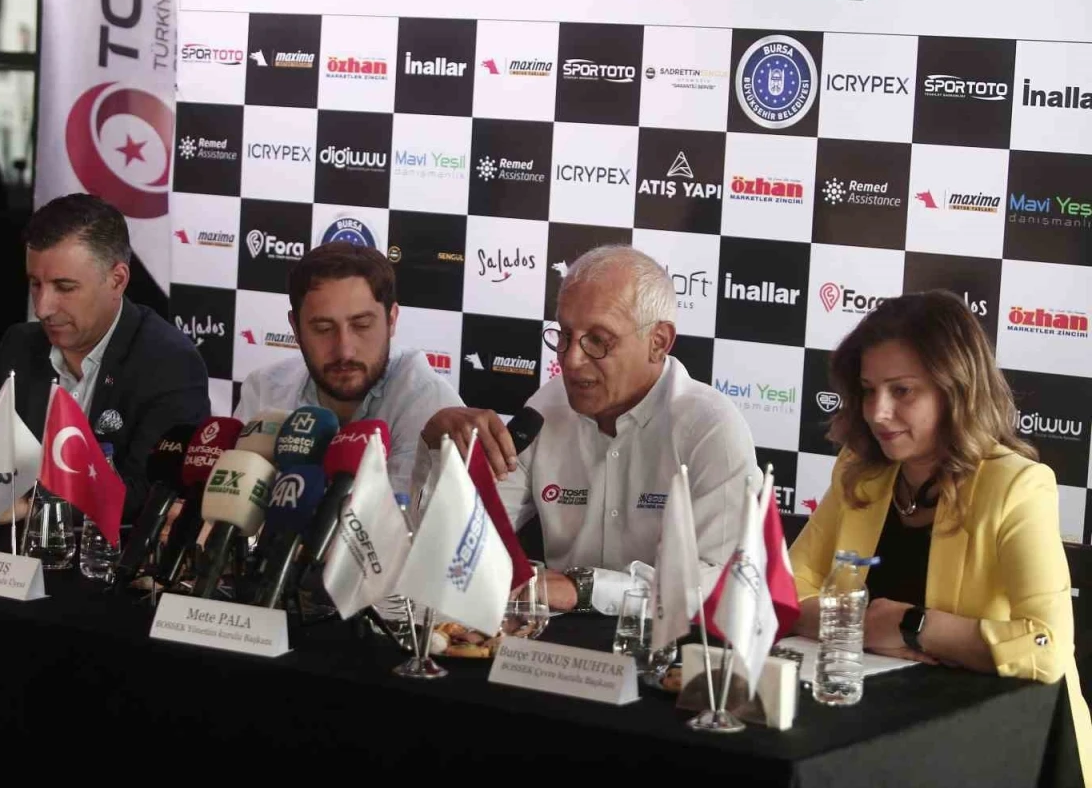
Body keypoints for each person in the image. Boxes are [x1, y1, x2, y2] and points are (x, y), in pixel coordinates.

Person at [788, 290, 1090, 781]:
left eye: (902, 391)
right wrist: (864, 625)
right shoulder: (859, 469)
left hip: (998, 741)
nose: (878, 412)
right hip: (871, 728)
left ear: (957, 391)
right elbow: (785, 590)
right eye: (868, 390)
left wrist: (911, 624)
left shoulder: (1017, 485)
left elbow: (1048, 647)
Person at [419, 245, 758, 614]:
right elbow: (458, 548)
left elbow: (721, 582)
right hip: (553, 640)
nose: (570, 359)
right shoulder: (546, 409)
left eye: (598, 340)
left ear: (658, 342)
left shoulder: (711, 427)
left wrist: (584, 589)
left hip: (668, 642)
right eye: (564, 334)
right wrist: (441, 455)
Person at [0, 193, 211, 528]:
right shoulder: (21, 343)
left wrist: (32, 506)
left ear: (117, 280)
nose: (42, 308)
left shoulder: (170, 362)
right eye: (35, 284)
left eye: (64, 287)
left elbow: (149, 493)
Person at [234, 242, 462, 494]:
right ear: (295, 328)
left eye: (361, 325)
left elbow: (401, 516)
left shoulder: (429, 402)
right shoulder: (264, 389)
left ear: (391, 320)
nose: (344, 350)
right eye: (323, 329)